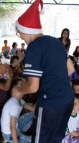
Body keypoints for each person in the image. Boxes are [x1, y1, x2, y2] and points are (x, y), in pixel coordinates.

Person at [14, 0, 75, 142]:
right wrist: (53, 81)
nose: (21, 37)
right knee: (55, 138)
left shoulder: (34, 48)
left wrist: (18, 90)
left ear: (24, 30)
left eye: (19, 33)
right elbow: (71, 69)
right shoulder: (56, 41)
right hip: (67, 99)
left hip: (51, 103)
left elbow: (33, 87)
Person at [1, 77, 35, 143]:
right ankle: (9, 141)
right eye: (21, 85)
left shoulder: (20, 101)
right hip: (9, 134)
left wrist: (41, 96)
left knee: (34, 114)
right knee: (35, 141)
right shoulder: (14, 105)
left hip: (16, 127)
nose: (24, 87)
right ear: (13, 89)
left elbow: (33, 109)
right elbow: (12, 127)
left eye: (24, 85)